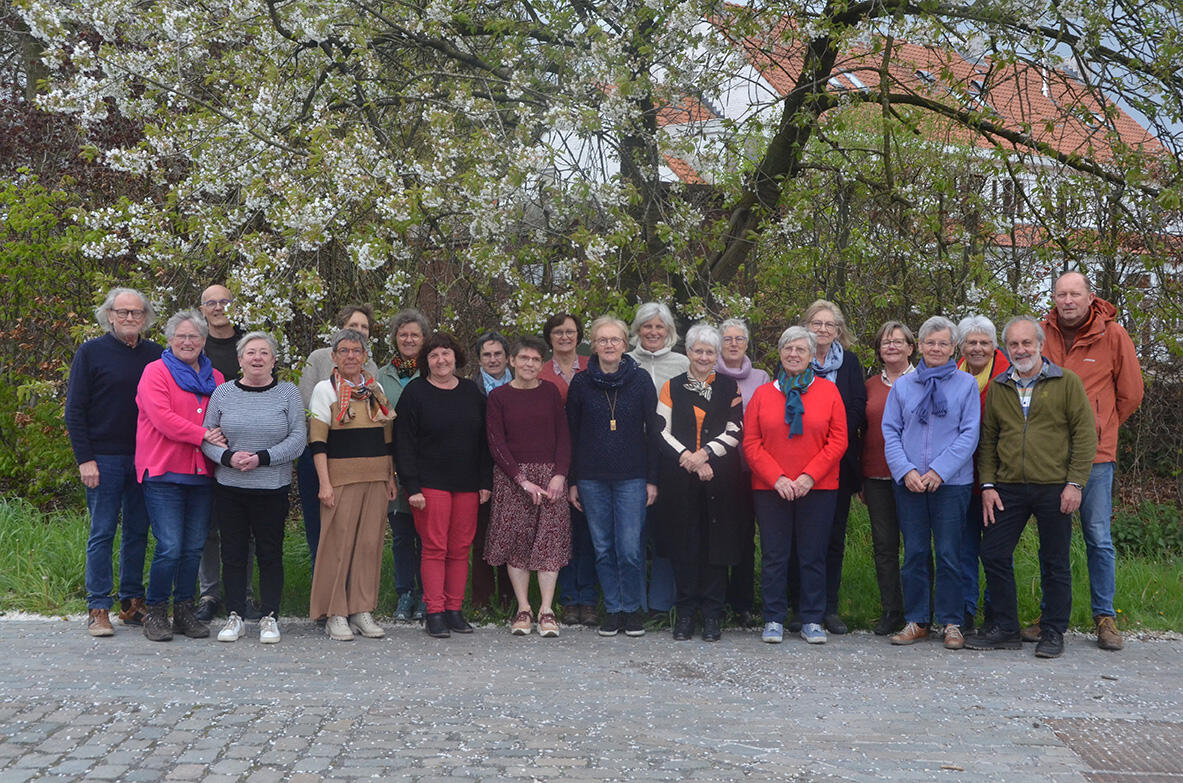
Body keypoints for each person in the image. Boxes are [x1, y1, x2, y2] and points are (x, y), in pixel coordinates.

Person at [966, 316, 1097, 658]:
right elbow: (989, 439)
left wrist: (1075, 483)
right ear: (1005, 349)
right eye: (1013, 344)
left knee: (1054, 561)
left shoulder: (1066, 382)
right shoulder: (999, 386)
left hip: (1055, 485)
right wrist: (988, 485)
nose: (1020, 349)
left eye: (1027, 343)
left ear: (1040, 345)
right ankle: (1006, 627)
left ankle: (1053, 631)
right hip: (1007, 487)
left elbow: (1084, 435)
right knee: (993, 553)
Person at [1033, 271, 1144, 651]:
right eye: (1061, 294)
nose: (1067, 301)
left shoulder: (1113, 336)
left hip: (1095, 458)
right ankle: (1050, 615)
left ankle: (1105, 616)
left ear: (1089, 297)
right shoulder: (1041, 333)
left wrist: (1099, 427)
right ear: (1054, 298)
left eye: (1074, 294)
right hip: (1048, 457)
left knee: (1097, 536)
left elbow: (1130, 394)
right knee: (1052, 540)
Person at [65, 287, 163, 636]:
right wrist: (85, 459)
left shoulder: (156, 355)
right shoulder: (90, 353)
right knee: (103, 531)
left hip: (145, 456)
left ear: (146, 317)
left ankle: (131, 603)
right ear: (109, 315)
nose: (129, 318)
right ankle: (98, 607)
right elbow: (74, 410)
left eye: (136, 313)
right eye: (122, 312)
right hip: (103, 458)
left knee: (138, 531)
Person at [743, 326, 847, 644]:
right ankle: (774, 617)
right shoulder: (763, 394)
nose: (793, 354)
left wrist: (807, 476)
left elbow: (838, 440)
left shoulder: (829, 392)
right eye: (788, 348)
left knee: (812, 554)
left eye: (801, 349)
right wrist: (777, 478)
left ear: (811, 355)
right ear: (780, 352)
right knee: (774, 554)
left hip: (818, 486)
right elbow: (750, 442)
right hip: (770, 487)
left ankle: (812, 618)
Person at [881, 316, 980, 650]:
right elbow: (890, 431)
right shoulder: (903, 386)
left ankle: (953, 622)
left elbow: (969, 434)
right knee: (915, 553)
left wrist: (939, 470)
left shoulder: (966, 385)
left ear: (954, 348)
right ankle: (918, 620)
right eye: (930, 342)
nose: (936, 349)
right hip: (909, 482)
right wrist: (905, 470)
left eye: (943, 343)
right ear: (919, 346)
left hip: (951, 484)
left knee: (951, 553)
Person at [202, 332, 305, 644]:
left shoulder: (289, 393)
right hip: (230, 486)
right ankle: (235, 615)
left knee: (269, 552)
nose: (257, 358)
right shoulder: (222, 393)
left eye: (264, 353)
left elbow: (298, 439)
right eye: (251, 353)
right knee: (232, 552)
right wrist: (228, 457)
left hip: (271, 487)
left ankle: (269, 616)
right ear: (240, 360)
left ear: (274, 361)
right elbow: (207, 436)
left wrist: (262, 458)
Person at [135, 310, 227, 641]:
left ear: (204, 341)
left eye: (194, 336)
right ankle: (156, 611)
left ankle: (184, 610)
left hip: (202, 473)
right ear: (170, 339)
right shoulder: (155, 373)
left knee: (192, 547)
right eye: (181, 336)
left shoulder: (215, 377)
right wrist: (203, 434)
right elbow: (163, 418)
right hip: (163, 471)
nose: (188, 342)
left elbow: (222, 419)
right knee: (170, 546)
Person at [567, 315, 661, 638]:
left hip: (632, 478)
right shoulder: (580, 383)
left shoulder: (640, 381)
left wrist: (652, 479)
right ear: (593, 345)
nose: (609, 345)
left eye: (615, 340)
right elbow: (572, 435)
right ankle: (614, 608)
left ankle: (632, 610)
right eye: (602, 340)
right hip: (591, 478)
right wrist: (573, 481)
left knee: (630, 548)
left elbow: (654, 433)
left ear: (625, 344)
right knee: (603, 546)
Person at [395, 332, 493, 638]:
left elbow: (484, 443)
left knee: (460, 549)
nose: (441, 360)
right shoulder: (415, 392)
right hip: (430, 485)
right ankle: (434, 611)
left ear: (456, 357)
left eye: (446, 354)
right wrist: (412, 487)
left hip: (467, 485)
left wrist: (484, 481)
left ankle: (454, 609)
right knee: (434, 547)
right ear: (426, 361)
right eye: (434, 355)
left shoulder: (471, 393)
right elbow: (404, 444)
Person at [656, 323, 745, 642]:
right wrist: (689, 459)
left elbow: (735, 430)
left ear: (716, 354)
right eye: (698, 350)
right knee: (685, 546)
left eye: (710, 351)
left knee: (715, 547)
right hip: (680, 479)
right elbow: (661, 430)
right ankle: (685, 614)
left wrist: (705, 455)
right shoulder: (671, 386)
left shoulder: (729, 387)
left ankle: (712, 615)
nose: (704, 356)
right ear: (688, 352)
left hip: (720, 479)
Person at [307, 328, 397, 641]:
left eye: (356, 351)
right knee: (337, 546)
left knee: (369, 544)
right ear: (334, 357)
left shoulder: (374, 390)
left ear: (365, 357)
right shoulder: (325, 390)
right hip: (340, 480)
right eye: (344, 351)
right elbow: (317, 442)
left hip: (375, 478)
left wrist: (390, 475)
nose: (350, 356)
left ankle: (361, 609)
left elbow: (386, 439)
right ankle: (335, 613)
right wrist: (324, 483)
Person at [484, 336, 572, 637]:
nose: (529, 364)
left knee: (549, 542)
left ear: (541, 363)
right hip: (513, 479)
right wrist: (520, 479)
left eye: (535, 360)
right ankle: (523, 608)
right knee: (517, 545)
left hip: (550, 480)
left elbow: (564, 436)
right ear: (512, 361)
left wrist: (559, 475)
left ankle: (547, 610)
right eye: (523, 359)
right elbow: (496, 442)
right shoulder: (499, 397)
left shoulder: (550, 392)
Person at [794, 299, 865, 635]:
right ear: (806, 326)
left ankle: (829, 607)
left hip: (838, 463)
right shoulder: (794, 359)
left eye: (829, 325)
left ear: (839, 331)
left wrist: (828, 446)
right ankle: (800, 606)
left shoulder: (849, 363)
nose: (822, 330)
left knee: (833, 538)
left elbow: (856, 410)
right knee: (800, 539)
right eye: (816, 323)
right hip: (797, 465)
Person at [296, 305, 379, 568]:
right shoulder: (319, 358)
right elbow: (306, 405)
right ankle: (319, 587)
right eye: (353, 326)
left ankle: (349, 591)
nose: (359, 331)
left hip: (355, 459)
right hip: (319, 452)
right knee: (319, 526)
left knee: (350, 528)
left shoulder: (371, 366)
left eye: (364, 327)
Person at [627, 302, 688, 620]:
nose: (652, 332)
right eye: (647, 326)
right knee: (632, 533)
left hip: (671, 457)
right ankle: (634, 602)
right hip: (631, 457)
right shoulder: (624, 362)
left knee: (666, 531)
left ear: (669, 331)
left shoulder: (682, 363)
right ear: (637, 330)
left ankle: (662, 604)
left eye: (659, 327)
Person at [540, 312, 599, 628]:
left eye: (571, 331)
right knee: (561, 534)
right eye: (558, 332)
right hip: (553, 463)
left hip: (591, 459)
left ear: (579, 336)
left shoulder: (594, 365)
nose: (565, 337)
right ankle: (567, 599)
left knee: (588, 533)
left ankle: (588, 599)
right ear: (550, 337)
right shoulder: (541, 371)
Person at [193, 283, 247, 624]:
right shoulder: (197, 346)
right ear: (202, 310)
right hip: (205, 444)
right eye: (211, 303)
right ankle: (209, 592)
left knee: (245, 527)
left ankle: (242, 593)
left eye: (224, 301)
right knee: (207, 526)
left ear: (235, 305)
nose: (218, 307)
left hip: (247, 446)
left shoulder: (249, 343)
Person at [955, 315, 1010, 632]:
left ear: (994, 345)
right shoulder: (953, 372)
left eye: (984, 343)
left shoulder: (1008, 375)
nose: (977, 348)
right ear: (962, 346)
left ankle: (996, 614)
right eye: (971, 342)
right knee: (963, 549)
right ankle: (964, 613)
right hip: (961, 478)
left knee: (997, 551)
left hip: (1000, 479)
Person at [861, 320, 916, 636]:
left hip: (913, 477)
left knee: (916, 546)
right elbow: (862, 430)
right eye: (886, 342)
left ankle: (919, 611)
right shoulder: (870, 386)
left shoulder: (923, 381)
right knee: (884, 547)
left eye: (898, 341)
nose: (891, 346)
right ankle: (891, 611)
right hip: (877, 476)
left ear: (911, 347)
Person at [714, 317, 769, 626]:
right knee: (720, 533)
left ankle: (743, 603)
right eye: (727, 338)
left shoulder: (761, 378)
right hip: (718, 467)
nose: (733, 344)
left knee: (747, 536)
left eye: (739, 339)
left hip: (751, 467)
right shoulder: (708, 374)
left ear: (747, 344)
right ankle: (717, 600)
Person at [375, 308, 429, 623]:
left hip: (427, 466)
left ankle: (426, 594)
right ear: (396, 338)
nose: (409, 340)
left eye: (415, 335)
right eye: (403, 334)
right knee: (401, 534)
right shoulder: (382, 376)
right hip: (392, 465)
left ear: (424, 339)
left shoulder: (434, 371)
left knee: (426, 534)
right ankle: (404, 593)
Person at [470, 330, 513, 611]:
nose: (493, 359)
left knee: (511, 534)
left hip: (515, 472)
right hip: (482, 470)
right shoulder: (470, 389)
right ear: (479, 359)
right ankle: (482, 600)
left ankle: (510, 600)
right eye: (487, 354)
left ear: (508, 357)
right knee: (483, 536)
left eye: (498, 354)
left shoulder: (523, 384)